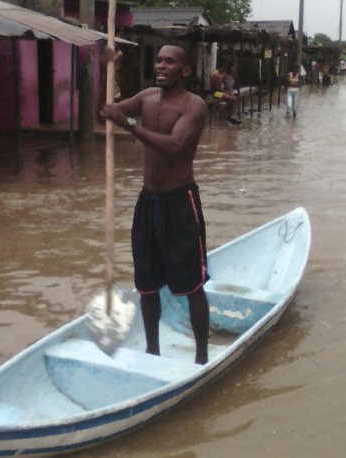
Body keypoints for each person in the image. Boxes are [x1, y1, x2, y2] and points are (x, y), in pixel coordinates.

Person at [101, 41, 211, 365]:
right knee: (146, 283)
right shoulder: (147, 98)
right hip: (149, 201)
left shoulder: (195, 106)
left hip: (180, 202)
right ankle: (152, 351)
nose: (161, 66)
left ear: (186, 70)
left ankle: (202, 359)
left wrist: (130, 124)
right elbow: (109, 111)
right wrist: (105, 68)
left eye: (170, 62)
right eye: (159, 61)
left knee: (192, 283)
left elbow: (175, 146)